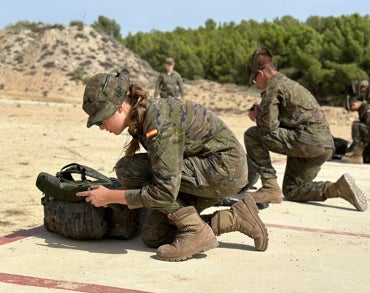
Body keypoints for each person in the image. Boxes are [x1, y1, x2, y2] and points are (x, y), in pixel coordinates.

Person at [77, 69, 268, 262]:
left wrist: (109, 196)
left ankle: (195, 230)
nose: (101, 127)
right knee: (154, 236)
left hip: (223, 171)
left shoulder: (157, 120)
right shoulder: (141, 119)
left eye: (101, 120)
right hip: (205, 172)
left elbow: (164, 191)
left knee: (128, 169)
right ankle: (236, 217)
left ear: (119, 108)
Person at [243, 46, 368, 212]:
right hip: (323, 145)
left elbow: (268, 129)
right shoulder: (289, 84)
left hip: (305, 141)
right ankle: (337, 188)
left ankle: (269, 187)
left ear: (260, 74)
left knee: (253, 135)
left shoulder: (272, 88)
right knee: (293, 190)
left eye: (254, 81)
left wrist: (257, 117)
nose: (256, 84)